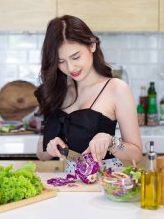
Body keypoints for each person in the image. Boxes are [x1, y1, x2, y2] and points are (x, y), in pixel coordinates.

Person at [35, 15, 143, 173]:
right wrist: (52, 148)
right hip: (72, 183)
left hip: (107, 184)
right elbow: (41, 154)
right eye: (61, 61)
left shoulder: (116, 89)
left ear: (92, 45)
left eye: (75, 57)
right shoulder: (58, 91)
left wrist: (111, 142)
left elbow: (136, 154)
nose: (71, 68)